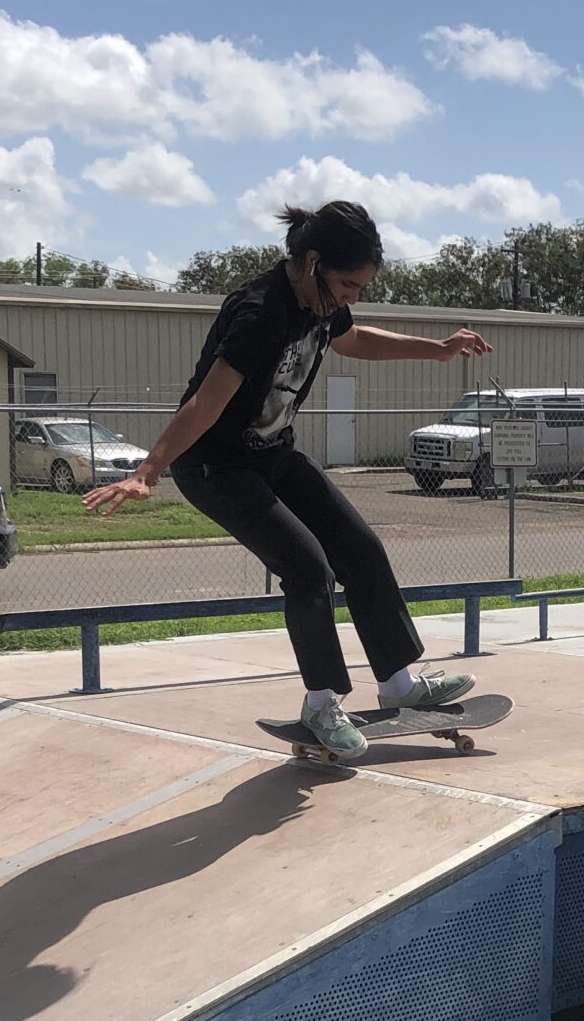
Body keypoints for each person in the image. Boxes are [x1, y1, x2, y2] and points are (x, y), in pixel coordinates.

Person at [83, 200, 492, 759]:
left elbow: (356, 340)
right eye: (346, 284)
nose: (350, 297)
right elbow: (205, 403)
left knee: (361, 549)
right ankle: (321, 703)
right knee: (307, 568)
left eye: (359, 289)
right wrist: (148, 471)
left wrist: (436, 349)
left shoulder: (321, 306)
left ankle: (397, 684)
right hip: (214, 465)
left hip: (273, 453)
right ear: (313, 261)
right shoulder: (260, 313)